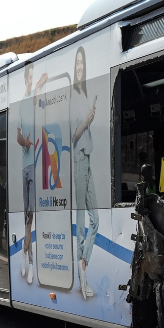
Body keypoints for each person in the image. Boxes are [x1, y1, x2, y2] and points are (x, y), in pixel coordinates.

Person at [70, 47, 99, 300]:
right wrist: (87, 121)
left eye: (82, 62)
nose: (80, 66)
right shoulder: (72, 95)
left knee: (96, 221)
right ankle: (82, 278)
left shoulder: (85, 93)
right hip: (78, 161)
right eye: (77, 62)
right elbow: (73, 135)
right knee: (80, 222)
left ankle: (82, 263)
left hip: (87, 159)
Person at [15, 64, 48, 285]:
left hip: (35, 166)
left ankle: (27, 257)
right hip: (27, 167)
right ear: (24, 80)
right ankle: (28, 256)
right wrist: (26, 142)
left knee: (31, 215)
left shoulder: (34, 100)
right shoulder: (21, 105)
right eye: (29, 77)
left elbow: (37, 96)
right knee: (28, 215)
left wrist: (39, 84)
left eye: (32, 77)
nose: (31, 80)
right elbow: (18, 137)